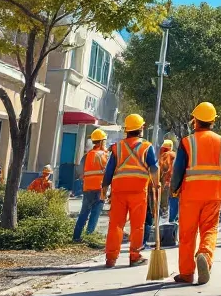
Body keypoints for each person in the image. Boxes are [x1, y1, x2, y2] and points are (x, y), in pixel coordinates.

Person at [170, 102, 221, 285]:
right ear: (213, 121)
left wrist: (173, 188)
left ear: (195, 121)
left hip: (190, 195)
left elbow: (178, 169)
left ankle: (186, 273)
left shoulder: (186, 142)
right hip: (213, 195)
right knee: (209, 230)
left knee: (187, 234)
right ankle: (205, 256)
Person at [102, 113, 159, 268]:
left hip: (119, 190)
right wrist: (156, 183)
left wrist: (104, 188)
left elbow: (109, 170)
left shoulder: (117, 147)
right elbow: (153, 167)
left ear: (126, 129)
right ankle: (134, 256)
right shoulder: (147, 146)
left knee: (115, 224)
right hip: (138, 190)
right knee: (137, 225)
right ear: (141, 128)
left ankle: (111, 258)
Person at [74, 129, 108, 241]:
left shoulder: (87, 155)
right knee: (94, 214)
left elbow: (80, 172)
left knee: (84, 213)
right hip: (99, 188)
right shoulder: (104, 155)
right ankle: (89, 237)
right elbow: (108, 171)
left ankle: (76, 236)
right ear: (102, 141)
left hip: (87, 188)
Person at [158, 139, 176, 221]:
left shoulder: (162, 157)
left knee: (163, 206)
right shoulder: (174, 155)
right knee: (172, 204)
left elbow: (160, 170)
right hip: (173, 183)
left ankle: (162, 225)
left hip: (164, 184)